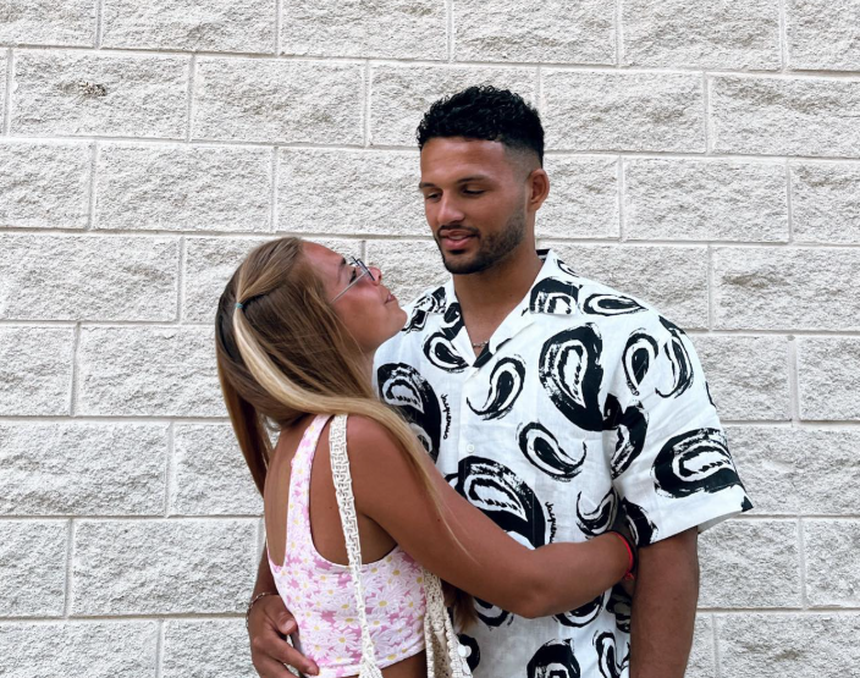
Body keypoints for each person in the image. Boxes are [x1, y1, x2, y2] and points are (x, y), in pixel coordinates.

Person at [247, 86, 752, 678]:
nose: (446, 214)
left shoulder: (633, 339)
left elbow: (668, 540)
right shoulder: (387, 347)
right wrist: (266, 599)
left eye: (472, 190)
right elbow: (318, 488)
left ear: (534, 189)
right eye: (432, 193)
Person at [216, 236, 638, 678]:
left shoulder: (295, 446)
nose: (375, 273)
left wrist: (260, 600)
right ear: (316, 326)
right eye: (352, 274)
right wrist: (628, 546)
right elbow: (530, 587)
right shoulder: (355, 441)